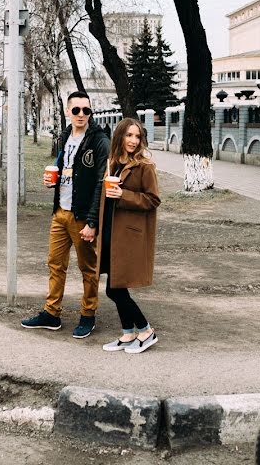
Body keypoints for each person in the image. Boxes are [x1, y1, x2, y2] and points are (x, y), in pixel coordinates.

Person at [22, 91, 109, 339]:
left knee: (88, 269)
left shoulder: (99, 141)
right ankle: (52, 314)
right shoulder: (63, 138)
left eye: (86, 110)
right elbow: (66, 171)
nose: (82, 114)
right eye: (76, 110)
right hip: (60, 212)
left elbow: (100, 184)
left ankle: (88, 315)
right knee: (55, 264)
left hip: (82, 217)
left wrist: (93, 221)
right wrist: (54, 180)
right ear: (68, 112)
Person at [97, 118, 161, 354]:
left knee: (114, 288)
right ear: (120, 137)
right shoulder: (112, 162)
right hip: (110, 231)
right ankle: (127, 335)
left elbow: (153, 200)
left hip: (129, 235)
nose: (133, 141)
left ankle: (145, 330)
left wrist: (124, 194)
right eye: (129, 135)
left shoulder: (145, 166)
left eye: (137, 136)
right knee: (115, 285)